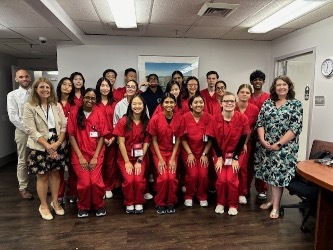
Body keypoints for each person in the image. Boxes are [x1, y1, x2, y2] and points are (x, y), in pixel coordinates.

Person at [255, 76, 303, 219]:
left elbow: (295, 128)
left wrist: (279, 144)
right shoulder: (268, 103)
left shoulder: (296, 104)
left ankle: (276, 206)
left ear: (289, 87)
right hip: (266, 146)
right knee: (269, 174)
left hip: (285, 148)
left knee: (277, 176)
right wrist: (263, 140)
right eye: (278, 85)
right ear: (274, 88)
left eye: (284, 84)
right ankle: (272, 200)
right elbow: (260, 123)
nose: (281, 87)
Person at [23, 77, 67, 220]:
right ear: (36, 89)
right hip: (40, 146)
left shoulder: (56, 105)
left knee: (55, 173)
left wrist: (58, 142)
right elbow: (31, 129)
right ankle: (43, 205)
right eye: (42, 87)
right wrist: (48, 146)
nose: (45, 90)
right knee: (42, 176)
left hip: (56, 144)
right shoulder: (29, 106)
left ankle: (55, 202)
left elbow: (64, 126)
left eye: (47, 87)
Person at [67, 88, 108, 218]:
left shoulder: (99, 113)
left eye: (93, 98)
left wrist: (95, 156)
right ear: (83, 98)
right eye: (87, 98)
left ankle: (99, 205)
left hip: (96, 153)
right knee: (85, 183)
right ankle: (83, 206)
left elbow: (102, 136)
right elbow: (71, 136)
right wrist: (80, 157)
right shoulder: (74, 113)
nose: (90, 100)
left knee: (95, 183)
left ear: (96, 100)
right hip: (79, 155)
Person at [207, 92, 249, 216]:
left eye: (231, 101)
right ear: (221, 103)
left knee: (231, 180)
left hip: (236, 154)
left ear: (235, 103)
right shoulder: (214, 118)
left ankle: (232, 204)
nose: (229, 103)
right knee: (221, 180)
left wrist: (236, 158)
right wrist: (219, 157)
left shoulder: (242, 118)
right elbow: (213, 139)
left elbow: (243, 139)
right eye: (226, 101)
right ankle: (220, 202)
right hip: (219, 154)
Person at [147, 93, 184, 214]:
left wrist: (173, 158)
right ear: (162, 104)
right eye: (166, 102)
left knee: (172, 178)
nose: (169, 105)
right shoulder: (156, 119)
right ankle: (160, 202)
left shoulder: (179, 118)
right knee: (163, 178)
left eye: (171, 102)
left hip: (173, 152)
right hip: (159, 152)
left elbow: (178, 139)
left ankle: (170, 202)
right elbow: (154, 140)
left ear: (174, 104)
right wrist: (160, 159)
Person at [113, 94, 150, 214]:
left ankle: (139, 201)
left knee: (138, 180)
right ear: (130, 105)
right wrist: (127, 162)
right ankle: (129, 202)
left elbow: (146, 143)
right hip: (125, 157)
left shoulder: (146, 122)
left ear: (144, 106)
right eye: (134, 104)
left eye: (140, 104)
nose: (137, 106)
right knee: (129, 180)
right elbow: (121, 143)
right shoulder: (123, 121)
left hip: (140, 157)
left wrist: (139, 161)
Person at [7, 69, 34, 200]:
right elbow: (13, 117)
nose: (24, 79)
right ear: (16, 79)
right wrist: (29, 130)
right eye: (21, 77)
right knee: (23, 160)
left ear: (29, 78)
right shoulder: (12, 95)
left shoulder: (35, 93)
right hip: (23, 131)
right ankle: (23, 188)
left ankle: (45, 185)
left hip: (38, 132)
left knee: (42, 158)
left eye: (26, 76)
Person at [181, 94, 212, 207]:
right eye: (195, 102)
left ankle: (202, 195)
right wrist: (189, 153)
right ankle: (189, 195)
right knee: (193, 174)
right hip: (188, 151)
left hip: (204, 151)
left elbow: (210, 139)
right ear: (190, 105)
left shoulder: (209, 118)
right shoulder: (184, 117)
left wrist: (204, 153)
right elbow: (182, 138)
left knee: (203, 175)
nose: (198, 104)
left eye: (201, 102)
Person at [95, 77, 119, 199]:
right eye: (102, 85)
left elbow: (119, 122)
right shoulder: (94, 103)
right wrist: (102, 138)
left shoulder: (115, 104)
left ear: (110, 88)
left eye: (107, 86)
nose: (105, 88)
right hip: (98, 139)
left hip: (112, 139)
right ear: (98, 87)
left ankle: (109, 186)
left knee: (110, 164)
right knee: (99, 163)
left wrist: (114, 137)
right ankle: (100, 186)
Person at [235, 84, 259, 205]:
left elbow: (252, 127)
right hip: (231, 143)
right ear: (237, 93)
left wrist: (244, 142)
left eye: (247, 92)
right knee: (230, 168)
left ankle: (242, 193)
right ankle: (231, 191)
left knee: (243, 168)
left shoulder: (254, 109)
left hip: (245, 143)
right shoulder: (231, 106)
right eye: (242, 92)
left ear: (250, 95)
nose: (244, 94)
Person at [249, 70, 270, 200]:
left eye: (260, 79)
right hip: (249, 135)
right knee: (249, 163)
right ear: (251, 82)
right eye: (255, 79)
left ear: (263, 81)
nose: (257, 81)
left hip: (264, 135)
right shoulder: (247, 96)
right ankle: (245, 188)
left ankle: (262, 189)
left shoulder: (269, 97)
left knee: (262, 163)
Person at [56, 77, 76, 204]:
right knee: (59, 170)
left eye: (69, 85)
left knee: (73, 169)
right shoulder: (54, 102)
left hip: (73, 140)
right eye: (64, 84)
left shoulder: (76, 103)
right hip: (58, 140)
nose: (67, 87)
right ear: (60, 86)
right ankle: (59, 195)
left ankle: (73, 193)